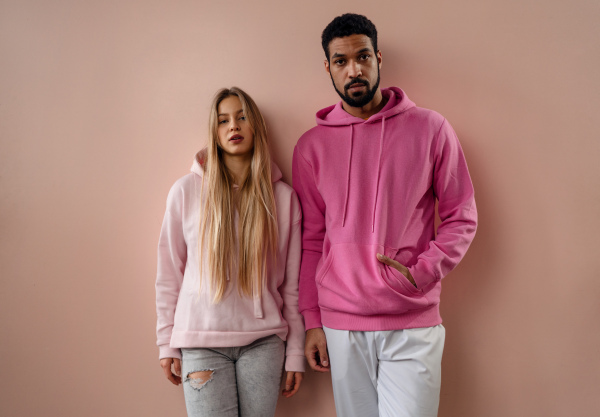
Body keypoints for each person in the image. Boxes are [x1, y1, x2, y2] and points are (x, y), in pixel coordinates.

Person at [292, 13, 477, 417]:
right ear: (328, 68)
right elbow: (309, 241)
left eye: (363, 57)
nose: (354, 70)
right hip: (341, 321)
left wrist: (421, 272)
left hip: (412, 319)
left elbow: (461, 215)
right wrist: (311, 321)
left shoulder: (431, 128)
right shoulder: (311, 147)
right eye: (341, 61)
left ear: (379, 57)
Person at [156, 87, 304, 417]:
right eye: (223, 120)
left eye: (241, 117)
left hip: (264, 342)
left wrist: (295, 352)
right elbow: (169, 274)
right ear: (215, 131)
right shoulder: (185, 192)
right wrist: (167, 342)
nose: (233, 126)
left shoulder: (283, 198)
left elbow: (291, 286)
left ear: (256, 128)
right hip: (200, 342)